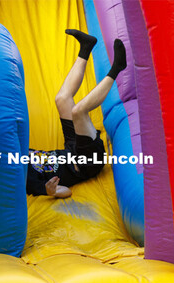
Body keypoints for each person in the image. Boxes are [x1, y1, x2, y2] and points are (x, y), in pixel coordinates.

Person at [26, 29, 127, 198]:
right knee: (78, 111)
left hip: (72, 147)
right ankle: (117, 68)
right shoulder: (25, 181)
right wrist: (51, 191)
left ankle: (86, 47)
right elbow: (67, 191)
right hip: (87, 162)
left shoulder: (15, 151)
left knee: (62, 98)